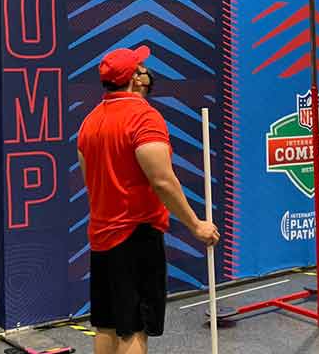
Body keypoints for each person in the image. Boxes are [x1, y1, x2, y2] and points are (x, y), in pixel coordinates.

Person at [78, 46, 220, 354]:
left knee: (108, 324)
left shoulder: (90, 121)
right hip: (135, 235)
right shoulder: (144, 118)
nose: (147, 73)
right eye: (142, 68)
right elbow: (163, 181)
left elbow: (90, 180)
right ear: (134, 79)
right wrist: (196, 226)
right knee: (134, 327)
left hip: (102, 234)